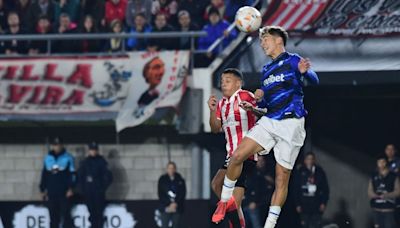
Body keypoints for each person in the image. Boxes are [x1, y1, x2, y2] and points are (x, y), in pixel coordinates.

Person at [212, 25, 319, 228]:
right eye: (261, 41)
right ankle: (224, 202)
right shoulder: (266, 70)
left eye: (265, 39)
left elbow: (314, 80)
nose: (262, 44)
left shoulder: (292, 60)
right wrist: (256, 104)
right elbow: (265, 106)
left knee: (281, 178)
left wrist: (307, 73)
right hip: (270, 121)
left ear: (279, 40)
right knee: (237, 156)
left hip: (292, 124)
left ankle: (269, 225)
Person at [208, 68, 264, 228]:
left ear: (238, 83)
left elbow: (262, 112)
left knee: (220, 186)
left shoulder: (245, 96)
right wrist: (212, 111)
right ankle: (236, 220)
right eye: (222, 81)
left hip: (245, 155)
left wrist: (257, 101)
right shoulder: (221, 104)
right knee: (220, 189)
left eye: (227, 81)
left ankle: (231, 214)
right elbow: (214, 128)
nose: (223, 84)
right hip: (231, 156)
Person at [39, 137, 75, 228]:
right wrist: (42, 189)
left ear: (62, 145)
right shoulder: (48, 158)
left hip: (64, 192)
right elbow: (44, 174)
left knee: (66, 216)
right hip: (52, 192)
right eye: (55, 145)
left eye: (58, 145)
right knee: (53, 217)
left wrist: (71, 188)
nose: (57, 147)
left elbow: (73, 174)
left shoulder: (68, 157)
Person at [78, 142, 113, 228]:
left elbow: (108, 177)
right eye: (91, 150)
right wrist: (83, 189)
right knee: (92, 214)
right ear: (89, 151)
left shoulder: (102, 161)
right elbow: (80, 177)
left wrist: (102, 188)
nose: (93, 152)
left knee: (99, 214)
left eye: (94, 150)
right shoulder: (85, 162)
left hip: (98, 193)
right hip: (88, 192)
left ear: (97, 150)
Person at [293, 152, 329, 228]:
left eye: (312, 159)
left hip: (316, 204)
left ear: (314, 160)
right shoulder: (300, 171)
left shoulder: (319, 171)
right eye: (308, 159)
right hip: (304, 205)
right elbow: (296, 189)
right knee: (304, 225)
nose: (310, 161)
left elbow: (325, 189)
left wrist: (323, 203)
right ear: (305, 161)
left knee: (315, 225)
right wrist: (297, 204)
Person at [368, 154, 400, 228]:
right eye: (379, 162)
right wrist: (375, 195)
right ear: (377, 163)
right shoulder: (373, 176)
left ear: (386, 163)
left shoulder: (393, 176)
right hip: (376, 209)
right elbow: (369, 191)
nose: (381, 164)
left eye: (383, 162)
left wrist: (386, 195)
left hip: (388, 210)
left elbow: (398, 191)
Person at [242, 156, 272, 228]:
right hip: (248, 203)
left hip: (263, 204)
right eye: (259, 161)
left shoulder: (267, 171)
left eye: (262, 161)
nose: (261, 163)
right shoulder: (251, 173)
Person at [158, 162, 186, 228]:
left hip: (177, 207)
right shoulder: (162, 180)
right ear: (167, 169)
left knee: (176, 225)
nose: (171, 170)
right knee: (164, 225)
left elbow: (182, 193)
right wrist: (169, 204)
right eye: (169, 168)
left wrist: (175, 203)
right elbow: (161, 194)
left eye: (172, 168)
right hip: (165, 207)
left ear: (175, 169)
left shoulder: (180, 179)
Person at [384, 144, 400, 226]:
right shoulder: (384, 164)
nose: (390, 151)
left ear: (395, 151)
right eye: (388, 149)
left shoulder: (398, 162)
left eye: (392, 149)